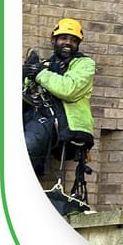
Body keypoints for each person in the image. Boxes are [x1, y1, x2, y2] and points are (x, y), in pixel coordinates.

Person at [23, 17, 95, 178]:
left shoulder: (85, 64)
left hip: (66, 123)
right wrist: (24, 76)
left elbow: (69, 89)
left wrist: (39, 72)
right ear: (53, 41)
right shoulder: (46, 65)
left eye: (73, 40)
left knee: (26, 146)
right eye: (63, 38)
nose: (68, 43)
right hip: (40, 116)